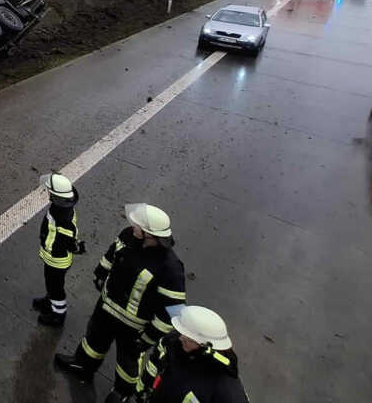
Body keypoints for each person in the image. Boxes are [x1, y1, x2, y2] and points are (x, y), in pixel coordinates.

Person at [55, 204, 186, 400]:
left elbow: (172, 312)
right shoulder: (128, 236)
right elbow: (111, 255)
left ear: (149, 234)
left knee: (128, 362)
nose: (132, 226)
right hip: (106, 308)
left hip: (133, 328)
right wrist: (100, 273)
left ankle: (122, 392)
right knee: (93, 340)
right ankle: (83, 365)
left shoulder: (171, 268)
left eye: (137, 225)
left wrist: (147, 338)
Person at [133, 306, 250, 403]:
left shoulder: (226, 387)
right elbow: (154, 364)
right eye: (183, 332)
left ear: (206, 347)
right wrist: (140, 392)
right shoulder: (173, 342)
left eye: (189, 338)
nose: (181, 337)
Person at [33, 172, 86, 326]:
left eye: (49, 190)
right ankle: (49, 300)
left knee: (56, 288)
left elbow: (67, 240)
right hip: (52, 257)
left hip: (57, 260)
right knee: (51, 283)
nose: (47, 192)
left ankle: (58, 314)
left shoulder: (62, 217)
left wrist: (74, 246)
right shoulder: (61, 208)